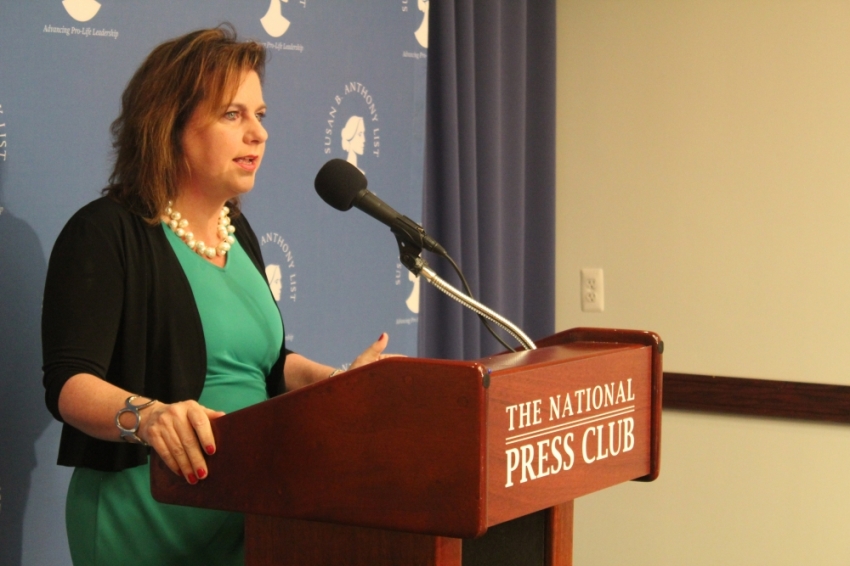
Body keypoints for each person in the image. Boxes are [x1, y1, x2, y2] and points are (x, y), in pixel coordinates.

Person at [41, 25, 393, 565]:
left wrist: (337, 384)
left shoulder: (236, 230)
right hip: (146, 520)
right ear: (170, 124)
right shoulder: (106, 232)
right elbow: (70, 384)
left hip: (248, 514)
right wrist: (151, 416)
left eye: (261, 115)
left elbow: (267, 365)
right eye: (233, 114)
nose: (258, 134)